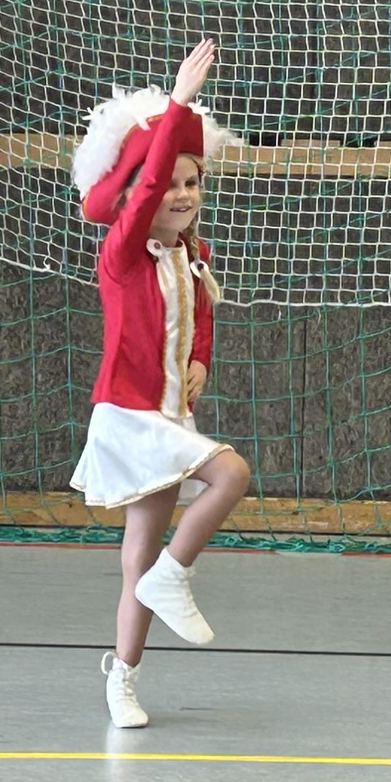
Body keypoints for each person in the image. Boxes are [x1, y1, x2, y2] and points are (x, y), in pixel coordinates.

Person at [69, 41, 252, 727]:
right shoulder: (123, 254)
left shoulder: (193, 255)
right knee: (231, 475)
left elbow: (202, 314)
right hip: (129, 413)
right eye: (166, 181)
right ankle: (177, 575)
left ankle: (123, 678)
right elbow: (144, 190)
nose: (180, 194)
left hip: (171, 416)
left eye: (192, 182)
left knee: (137, 562)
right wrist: (177, 104)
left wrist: (201, 357)